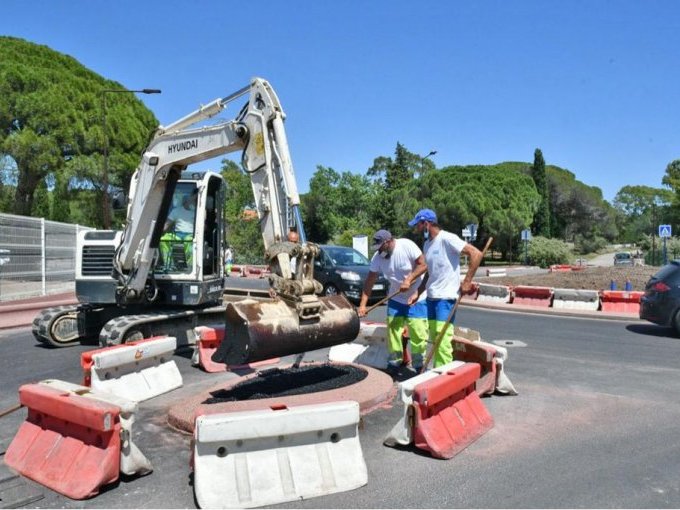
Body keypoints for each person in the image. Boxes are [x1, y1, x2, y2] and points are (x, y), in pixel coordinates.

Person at [407, 208, 482, 368]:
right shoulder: (427, 244)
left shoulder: (447, 239)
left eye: (418, 225)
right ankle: (437, 374)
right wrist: (418, 292)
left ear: (426, 224)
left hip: (446, 298)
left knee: (442, 340)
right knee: (435, 338)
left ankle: (443, 377)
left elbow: (476, 254)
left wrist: (467, 280)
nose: (417, 229)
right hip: (432, 297)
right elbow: (429, 273)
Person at [358, 229, 429, 371]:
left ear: (388, 242)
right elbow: (370, 281)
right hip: (396, 298)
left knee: (418, 331)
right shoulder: (377, 258)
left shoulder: (406, 246)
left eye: (381, 247)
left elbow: (424, 264)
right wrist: (362, 305)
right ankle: (395, 361)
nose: (379, 252)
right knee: (393, 330)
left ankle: (419, 363)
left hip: (416, 296)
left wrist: (409, 279)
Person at [161, 192, 197, 269]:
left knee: (190, 241)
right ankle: (169, 265)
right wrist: (158, 232)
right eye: (190, 200)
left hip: (190, 235)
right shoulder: (176, 210)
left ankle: (189, 266)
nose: (191, 202)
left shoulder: (197, 212)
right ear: (185, 201)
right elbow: (167, 224)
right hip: (177, 235)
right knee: (164, 239)